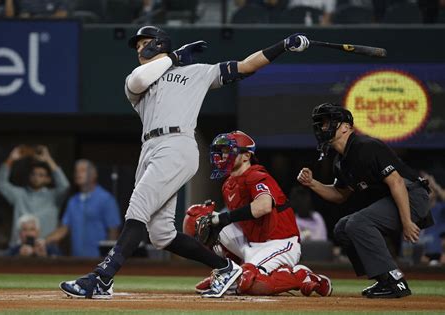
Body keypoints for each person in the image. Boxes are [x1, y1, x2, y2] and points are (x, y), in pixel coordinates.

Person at [59, 25, 310, 299]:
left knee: (137, 209)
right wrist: (175, 57)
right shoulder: (137, 78)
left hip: (177, 144)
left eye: (145, 43)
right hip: (150, 147)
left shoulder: (197, 72)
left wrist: (282, 45)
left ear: (160, 44)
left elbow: (246, 66)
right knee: (161, 234)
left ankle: (101, 278)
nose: (140, 49)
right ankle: (225, 268)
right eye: (138, 45)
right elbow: (139, 82)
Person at [297, 103, 432, 298]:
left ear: (345, 127)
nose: (322, 128)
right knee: (343, 228)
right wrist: (312, 183)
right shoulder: (341, 162)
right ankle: (383, 279)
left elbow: (396, 182)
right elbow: (339, 195)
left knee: (358, 222)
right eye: (321, 124)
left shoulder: (366, 147)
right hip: (394, 199)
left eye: (327, 123)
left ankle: (396, 281)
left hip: (412, 195)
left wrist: (407, 221)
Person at [184, 131, 332, 297]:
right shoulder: (228, 184)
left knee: (252, 284)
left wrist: (224, 218)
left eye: (228, 150)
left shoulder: (256, 175)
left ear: (246, 156)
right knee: (197, 217)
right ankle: (227, 271)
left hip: (280, 242)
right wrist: (215, 221)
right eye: (221, 151)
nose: (223, 155)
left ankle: (302, 276)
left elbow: (263, 206)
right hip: (252, 241)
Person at [0, 145, 70, 246]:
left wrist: (48, 159)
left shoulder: (54, 197)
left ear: (48, 179)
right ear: (29, 176)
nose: (36, 177)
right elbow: (0, 183)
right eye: (33, 174)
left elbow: (64, 186)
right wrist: (11, 159)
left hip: (45, 249)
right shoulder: (19, 194)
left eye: (41, 175)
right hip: (19, 249)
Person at [46, 160, 121, 258]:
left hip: (99, 261)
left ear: (94, 174)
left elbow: (113, 231)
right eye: (76, 171)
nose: (78, 174)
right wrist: (43, 241)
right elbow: (64, 229)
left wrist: (109, 260)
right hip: (77, 261)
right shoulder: (72, 201)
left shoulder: (106, 199)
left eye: (82, 170)